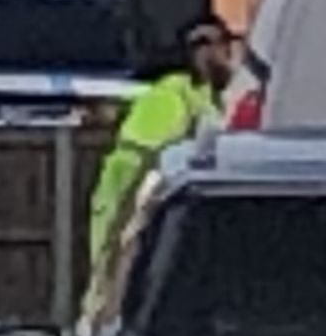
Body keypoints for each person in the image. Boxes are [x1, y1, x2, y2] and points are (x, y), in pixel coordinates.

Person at [89, 14, 241, 264]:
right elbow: (148, 157)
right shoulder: (171, 93)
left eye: (225, 44)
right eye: (213, 45)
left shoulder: (208, 97)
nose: (224, 54)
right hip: (130, 192)